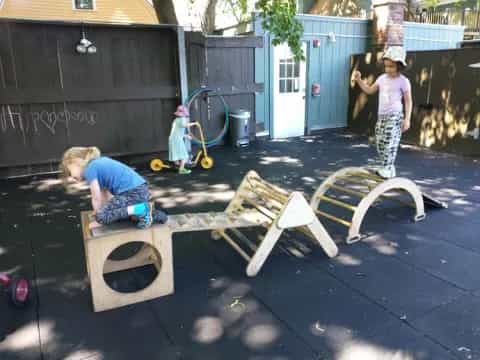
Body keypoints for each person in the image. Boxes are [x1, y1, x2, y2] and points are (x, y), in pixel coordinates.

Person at [60, 146, 167, 230]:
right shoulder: (98, 164)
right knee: (123, 215)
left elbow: (96, 197)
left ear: (77, 162)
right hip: (139, 191)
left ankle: (141, 209)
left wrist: (99, 217)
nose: (71, 176)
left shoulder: (89, 169)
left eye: (70, 171)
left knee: (103, 216)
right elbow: (104, 193)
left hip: (132, 193)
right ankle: (158, 215)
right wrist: (104, 209)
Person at [352, 46, 412, 178]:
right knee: (380, 142)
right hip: (382, 116)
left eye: (391, 66)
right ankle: (388, 167)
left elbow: (408, 101)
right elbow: (369, 90)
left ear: (399, 66)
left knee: (390, 141)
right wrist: (359, 81)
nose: (388, 69)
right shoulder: (382, 78)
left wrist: (407, 119)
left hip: (395, 116)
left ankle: (388, 167)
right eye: (386, 66)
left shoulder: (403, 81)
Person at [169, 105, 197, 174]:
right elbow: (185, 125)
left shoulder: (176, 120)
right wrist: (194, 123)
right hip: (177, 139)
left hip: (172, 138)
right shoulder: (182, 119)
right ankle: (181, 169)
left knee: (175, 153)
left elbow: (177, 132)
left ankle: (177, 165)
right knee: (184, 155)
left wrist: (186, 136)